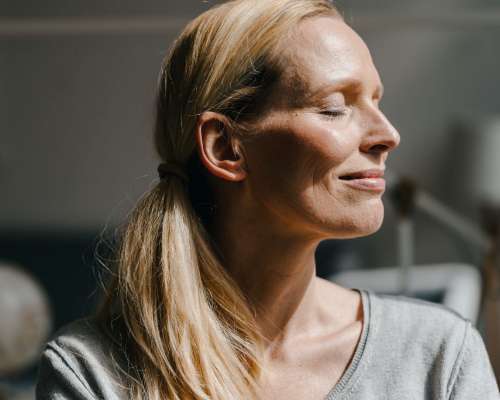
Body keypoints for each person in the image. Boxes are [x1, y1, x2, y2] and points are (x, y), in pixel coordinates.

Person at [35, 1, 499, 399]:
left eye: (377, 102)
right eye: (336, 107)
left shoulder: (439, 355)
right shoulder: (93, 371)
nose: (388, 136)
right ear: (225, 147)